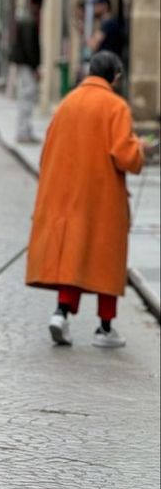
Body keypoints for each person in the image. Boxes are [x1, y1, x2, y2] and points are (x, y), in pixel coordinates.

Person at [25, 51, 149, 348]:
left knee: (72, 254)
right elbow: (125, 155)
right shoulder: (115, 106)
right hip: (101, 198)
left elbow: (48, 150)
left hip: (66, 194)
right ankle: (105, 328)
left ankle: (60, 313)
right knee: (106, 258)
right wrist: (141, 149)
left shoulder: (67, 103)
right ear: (115, 77)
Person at [9, 0, 44, 144]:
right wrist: (35, 67)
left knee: (25, 97)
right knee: (27, 97)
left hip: (22, 64)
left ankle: (25, 131)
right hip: (27, 66)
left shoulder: (24, 18)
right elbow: (30, 47)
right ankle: (23, 132)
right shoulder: (29, 21)